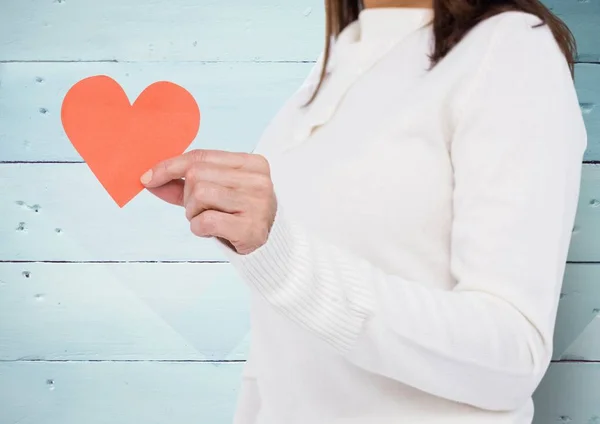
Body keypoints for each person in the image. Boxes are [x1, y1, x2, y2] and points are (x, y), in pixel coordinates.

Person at [140, 0, 587, 422]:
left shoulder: (508, 48)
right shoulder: (332, 69)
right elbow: (280, 358)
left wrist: (283, 260)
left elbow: (512, 354)